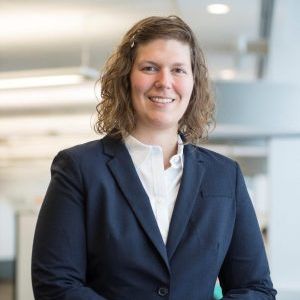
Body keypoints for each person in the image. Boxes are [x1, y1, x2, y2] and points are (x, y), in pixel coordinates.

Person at [31, 16, 277, 300]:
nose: (165, 82)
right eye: (150, 68)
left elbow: (256, 288)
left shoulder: (225, 176)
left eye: (178, 70)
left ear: (194, 83)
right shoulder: (80, 169)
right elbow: (56, 283)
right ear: (126, 79)